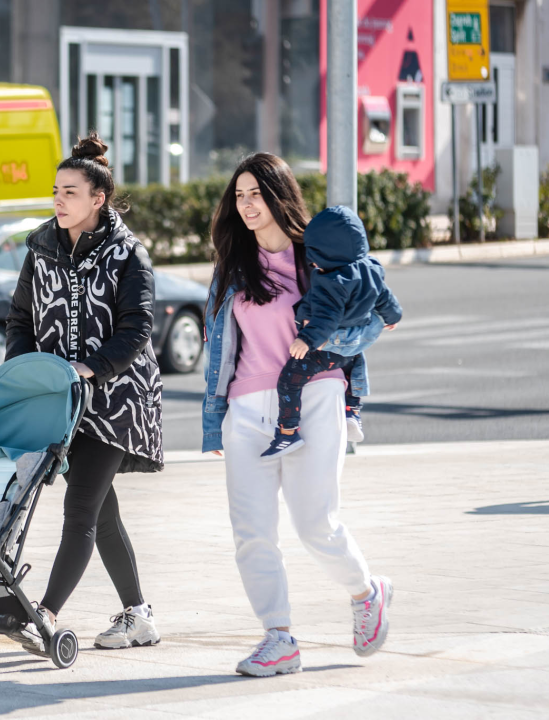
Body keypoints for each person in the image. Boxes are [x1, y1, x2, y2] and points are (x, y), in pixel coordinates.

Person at [201, 153, 392, 677]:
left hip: (314, 396)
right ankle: (278, 637)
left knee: (315, 524)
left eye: (255, 194)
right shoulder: (234, 266)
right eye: (238, 197)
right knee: (252, 531)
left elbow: (374, 317)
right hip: (246, 408)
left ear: (279, 194)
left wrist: (327, 344)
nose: (245, 205)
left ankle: (365, 591)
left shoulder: (320, 256)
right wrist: (215, 416)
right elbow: (219, 349)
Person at [5, 132, 163, 653]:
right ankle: (138, 615)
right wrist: (23, 372)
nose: (58, 200)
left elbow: (137, 328)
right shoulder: (41, 248)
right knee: (103, 512)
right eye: (55, 191)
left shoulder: (128, 254)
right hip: (62, 401)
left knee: (80, 508)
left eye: (70, 192)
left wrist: (90, 368)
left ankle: (44, 615)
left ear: (98, 198)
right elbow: (21, 318)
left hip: (118, 399)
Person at [260, 205, 403, 457]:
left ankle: (287, 432)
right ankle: (353, 412)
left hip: (327, 349)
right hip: (353, 348)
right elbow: (385, 298)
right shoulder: (371, 268)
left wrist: (306, 340)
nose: (312, 261)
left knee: (289, 380)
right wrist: (394, 317)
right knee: (356, 363)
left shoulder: (332, 281)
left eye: (315, 253)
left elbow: (327, 317)